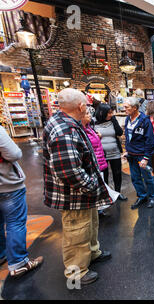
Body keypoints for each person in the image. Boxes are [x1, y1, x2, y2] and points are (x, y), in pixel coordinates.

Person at [42, 88, 112, 286]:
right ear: (80, 106)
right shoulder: (64, 130)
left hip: (81, 194)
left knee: (89, 225)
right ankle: (76, 273)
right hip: (74, 195)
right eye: (87, 105)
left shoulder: (66, 122)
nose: (88, 108)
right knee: (77, 232)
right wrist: (92, 186)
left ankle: (91, 253)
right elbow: (69, 172)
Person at [0, 126, 43, 279]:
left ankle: (2, 254)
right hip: (6, 184)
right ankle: (18, 263)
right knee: (15, 223)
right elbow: (14, 153)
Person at [123, 97, 154, 209]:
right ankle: (142, 196)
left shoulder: (145, 120)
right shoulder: (127, 119)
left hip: (142, 155)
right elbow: (128, 137)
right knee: (135, 177)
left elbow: (150, 140)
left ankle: (152, 197)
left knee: (147, 177)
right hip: (131, 155)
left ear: (134, 108)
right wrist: (127, 150)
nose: (124, 109)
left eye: (126, 107)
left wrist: (146, 157)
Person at [94, 103, 127, 201]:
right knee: (104, 175)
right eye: (109, 113)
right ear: (101, 113)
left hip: (115, 151)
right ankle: (106, 194)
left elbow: (120, 133)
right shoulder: (93, 122)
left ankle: (117, 193)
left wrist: (114, 121)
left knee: (117, 173)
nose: (111, 114)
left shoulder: (112, 120)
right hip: (101, 154)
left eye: (111, 112)